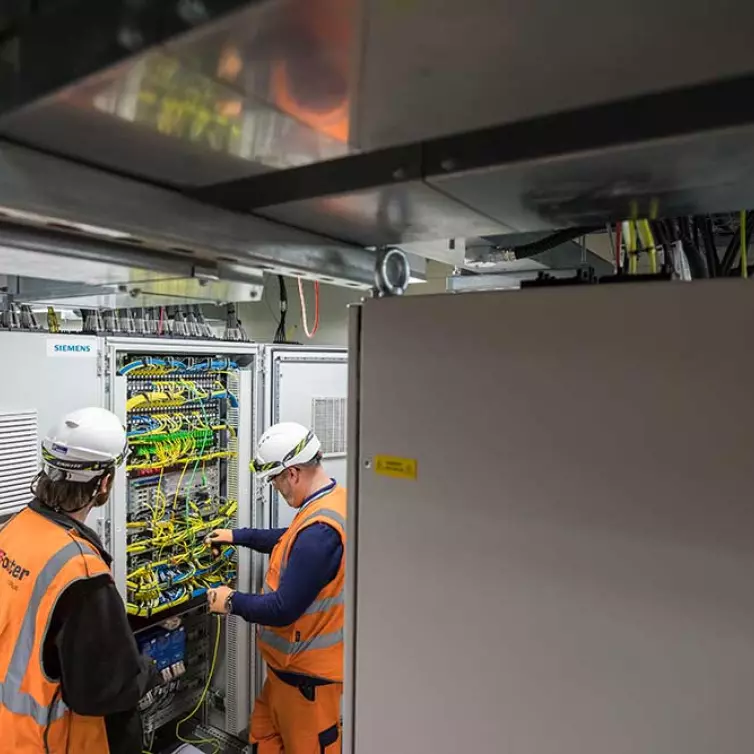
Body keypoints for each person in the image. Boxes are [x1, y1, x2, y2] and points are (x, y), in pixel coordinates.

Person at [0, 407, 154, 754]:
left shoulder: (12, 529)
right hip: (55, 741)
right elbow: (102, 691)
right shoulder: (81, 572)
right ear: (104, 482)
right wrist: (148, 670)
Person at [206, 421, 346, 754]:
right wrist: (236, 536)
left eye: (275, 480)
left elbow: (282, 609)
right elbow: (287, 539)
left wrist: (230, 601)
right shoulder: (331, 500)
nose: (276, 488)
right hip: (286, 676)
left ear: (293, 473)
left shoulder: (320, 532)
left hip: (309, 683)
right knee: (264, 738)